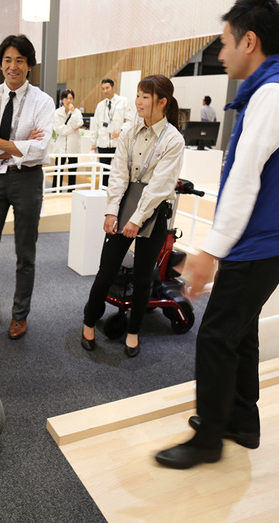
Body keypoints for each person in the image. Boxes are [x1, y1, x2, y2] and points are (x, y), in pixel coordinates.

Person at [155, 0, 279, 469]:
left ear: (249, 41)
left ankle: (209, 442)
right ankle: (242, 422)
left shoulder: (273, 94)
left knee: (217, 337)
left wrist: (209, 252)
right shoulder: (277, 88)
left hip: (259, 246)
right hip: (266, 243)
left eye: (224, 42)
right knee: (239, 334)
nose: (220, 54)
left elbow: (244, 180)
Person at [81, 75, 184, 354]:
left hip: (154, 212)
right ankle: (89, 322)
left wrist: (137, 219)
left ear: (162, 102)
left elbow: (160, 185)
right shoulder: (129, 132)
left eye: (145, 97)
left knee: (142, 278)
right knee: (106, 272)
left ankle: (134, 331)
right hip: (124, 206)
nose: (138, 101)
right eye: (138, 95)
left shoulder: (174, 139)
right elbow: (117, 174)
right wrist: (112, 211)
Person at [0, 34, 54, 340]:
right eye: (7, 60)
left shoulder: (43, 102)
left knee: (24, 251)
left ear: (29, 65)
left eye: (20, 60)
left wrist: (0, 142)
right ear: (0, 64)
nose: (13, 66)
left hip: (28, 179)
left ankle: (20, 315)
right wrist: (19, 146)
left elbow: (41, 149)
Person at [89, 78, 136, 188]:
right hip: (103, 143)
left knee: (118, 171)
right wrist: (93, 143)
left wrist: (121, 131)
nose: (105, 91)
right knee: (104, 172)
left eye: (107, 88)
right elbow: (95, 125)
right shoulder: (100, 105)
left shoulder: (123, 102)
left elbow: (131, 120)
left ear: (113, 88)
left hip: (117, 143)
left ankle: (116, 193)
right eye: (103, 89)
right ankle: (103, 193)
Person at [52, 88, 83, 191]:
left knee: (72, 171)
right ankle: (56, 190)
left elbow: (79, 123)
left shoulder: (76, 112)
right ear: (62, 100)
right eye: (66, 98)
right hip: (60, 146)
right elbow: (60, 130)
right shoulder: (57, 113)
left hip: (73, 146)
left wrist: (73, 113)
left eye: (71, 98)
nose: (69, 100)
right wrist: (73, 128)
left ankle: (71, 191)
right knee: (58, 171)